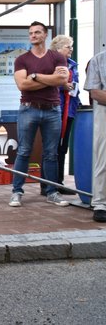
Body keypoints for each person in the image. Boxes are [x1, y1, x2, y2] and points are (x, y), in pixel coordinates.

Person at [8, 22, 70, 208]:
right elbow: (23, 85)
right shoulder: (22, 59)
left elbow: (62, 79)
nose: (33, 35)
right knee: (24, 151)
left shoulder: (57, 57)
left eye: (37, 32)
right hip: (29, 108)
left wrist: (34, 76)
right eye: (31, 33)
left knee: (51, 153)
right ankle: (16, 192)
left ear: (45, 35)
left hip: (52, 109)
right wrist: (50, 80)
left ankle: (52, 192)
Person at [48, 35, 80, 195]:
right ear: (58, 49)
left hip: (70, 110)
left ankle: (58, 182)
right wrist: (62, 85)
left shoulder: (73, 66)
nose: (71, 49)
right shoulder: (50, 64)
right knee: (51, 148)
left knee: (62, 148)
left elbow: (75, 87)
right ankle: (47, 184)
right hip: (55, 109)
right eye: (68, 46)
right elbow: (47, 83)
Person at [84, 50, 106, 222]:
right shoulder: (98, 60)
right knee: (103, 159)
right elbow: (95, 93)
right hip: (104, 116)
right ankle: (100, 203)